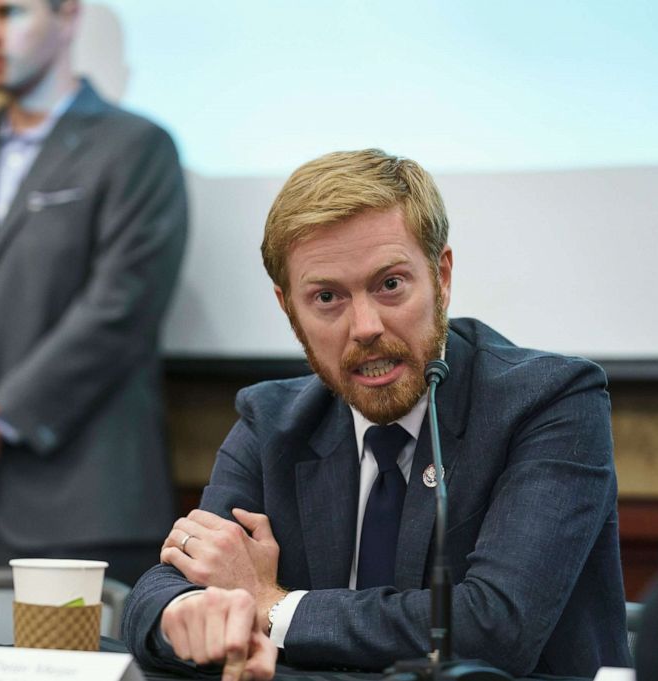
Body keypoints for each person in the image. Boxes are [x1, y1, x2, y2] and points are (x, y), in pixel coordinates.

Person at [122, 149, 631, 679]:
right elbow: (163, 587)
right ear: (287, 307)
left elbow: (493, 626)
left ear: (442, 276)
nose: (365, 326)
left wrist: (272, 607)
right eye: (327, 297)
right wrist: (190, 613)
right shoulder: (274, 421)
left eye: (390, 285)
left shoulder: (548, 401)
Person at [0, 0, 186, 586]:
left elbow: (117, 312)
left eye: (9, 13)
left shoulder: (138, 148)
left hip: (78, 510)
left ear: (68, 16)